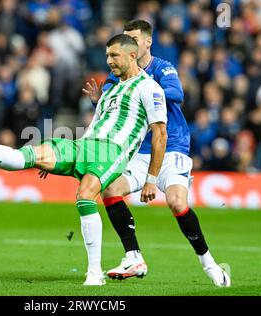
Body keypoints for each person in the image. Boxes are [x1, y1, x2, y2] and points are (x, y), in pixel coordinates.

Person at [0, 34, 168, 286]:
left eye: (114, 55)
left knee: (85, 194)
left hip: (112, 152)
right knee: (30, 156)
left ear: (132, 55)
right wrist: (62, 159)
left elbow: (160, 134)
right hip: (84, 145)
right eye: (106, 55)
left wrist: (152, 179)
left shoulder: (150, 88)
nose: (109, 60)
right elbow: (96, 125)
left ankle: (94, 273)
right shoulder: (110, 90)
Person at [83, 20, 230, 287]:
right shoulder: (117, 74)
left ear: (147, 42)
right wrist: (101, 99)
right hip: (139, 151)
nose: (129, 43)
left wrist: (142, 87)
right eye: (125, 39)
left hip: (172, 145)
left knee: (176, 202)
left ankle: (208, 263)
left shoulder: (163, 68)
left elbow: (177, 92)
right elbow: (107, 99)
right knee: (110, 190)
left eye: (134, 38)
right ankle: (133, 256)